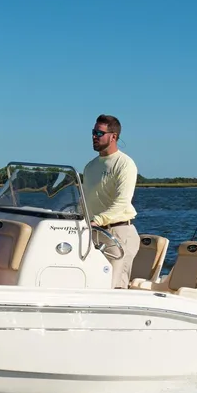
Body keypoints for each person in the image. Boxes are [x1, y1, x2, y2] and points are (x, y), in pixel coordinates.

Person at [82, 114, 140, 288]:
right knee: (90, 283)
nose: (94, 136)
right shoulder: (90, 166)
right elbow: (84, 200)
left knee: (114, 287)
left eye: (99, 133)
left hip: (118, 234)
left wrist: (96, 221)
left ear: (113, 136)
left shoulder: (124, 164)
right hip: (93, 233)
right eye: (93, 132)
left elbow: (121, 203)